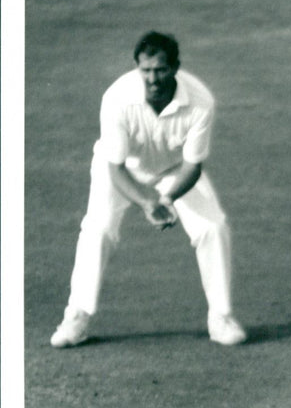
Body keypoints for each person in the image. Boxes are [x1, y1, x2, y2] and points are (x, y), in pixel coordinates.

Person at [50, 31, 246, 347]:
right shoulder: (117, 98)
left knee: (213, 227)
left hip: (173, 170)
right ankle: (77, 316)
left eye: (161, 70)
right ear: (136, 67)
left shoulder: (200, 101)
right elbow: (114, 167)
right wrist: (146, 202)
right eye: (146, 70)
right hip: (122, 169)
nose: (153, 78)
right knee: (97, 230)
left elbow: (192, 166)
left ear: (175, 68)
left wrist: (167, 198)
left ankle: (220, 317)